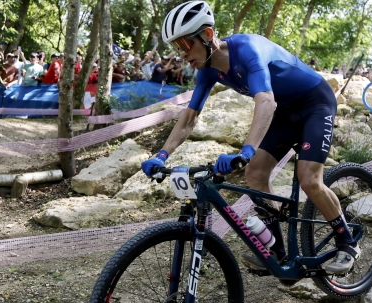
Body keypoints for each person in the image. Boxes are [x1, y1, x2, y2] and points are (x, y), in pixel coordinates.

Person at [140, 1, 359, 274]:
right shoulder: (207, 70)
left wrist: (245, 151)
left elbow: (265, 101)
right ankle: (278, 251)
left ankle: (347, 242)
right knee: (255, 174)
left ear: (208, 35)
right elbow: (189, 117)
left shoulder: (248, 50)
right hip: (287, 110)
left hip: (315, 102)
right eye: (176, 48)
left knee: (309, 179)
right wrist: (162, 155)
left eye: (185, 44)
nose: (181, 55)